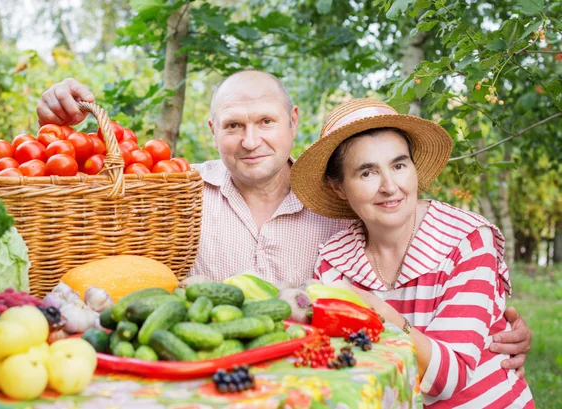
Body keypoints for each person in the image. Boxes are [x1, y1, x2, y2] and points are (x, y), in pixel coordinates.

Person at [36, 72, 531, 376]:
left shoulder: (342, 209)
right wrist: (57, 124)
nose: (250, 140)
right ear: (212, 131)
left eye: (266, 122)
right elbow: (86, 192)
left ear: (293, 121)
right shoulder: (173, 193)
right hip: (201, 383)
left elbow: (403, 273)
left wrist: (492, 328)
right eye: (233, 126)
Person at [290, 98, 534, 407]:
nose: (390, 186)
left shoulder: (466, 240)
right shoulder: (334, 259)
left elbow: (447, 379)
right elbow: (342, 362)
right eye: (367, 173)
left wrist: (376, 310)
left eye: (399, 165)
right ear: (339, 187)